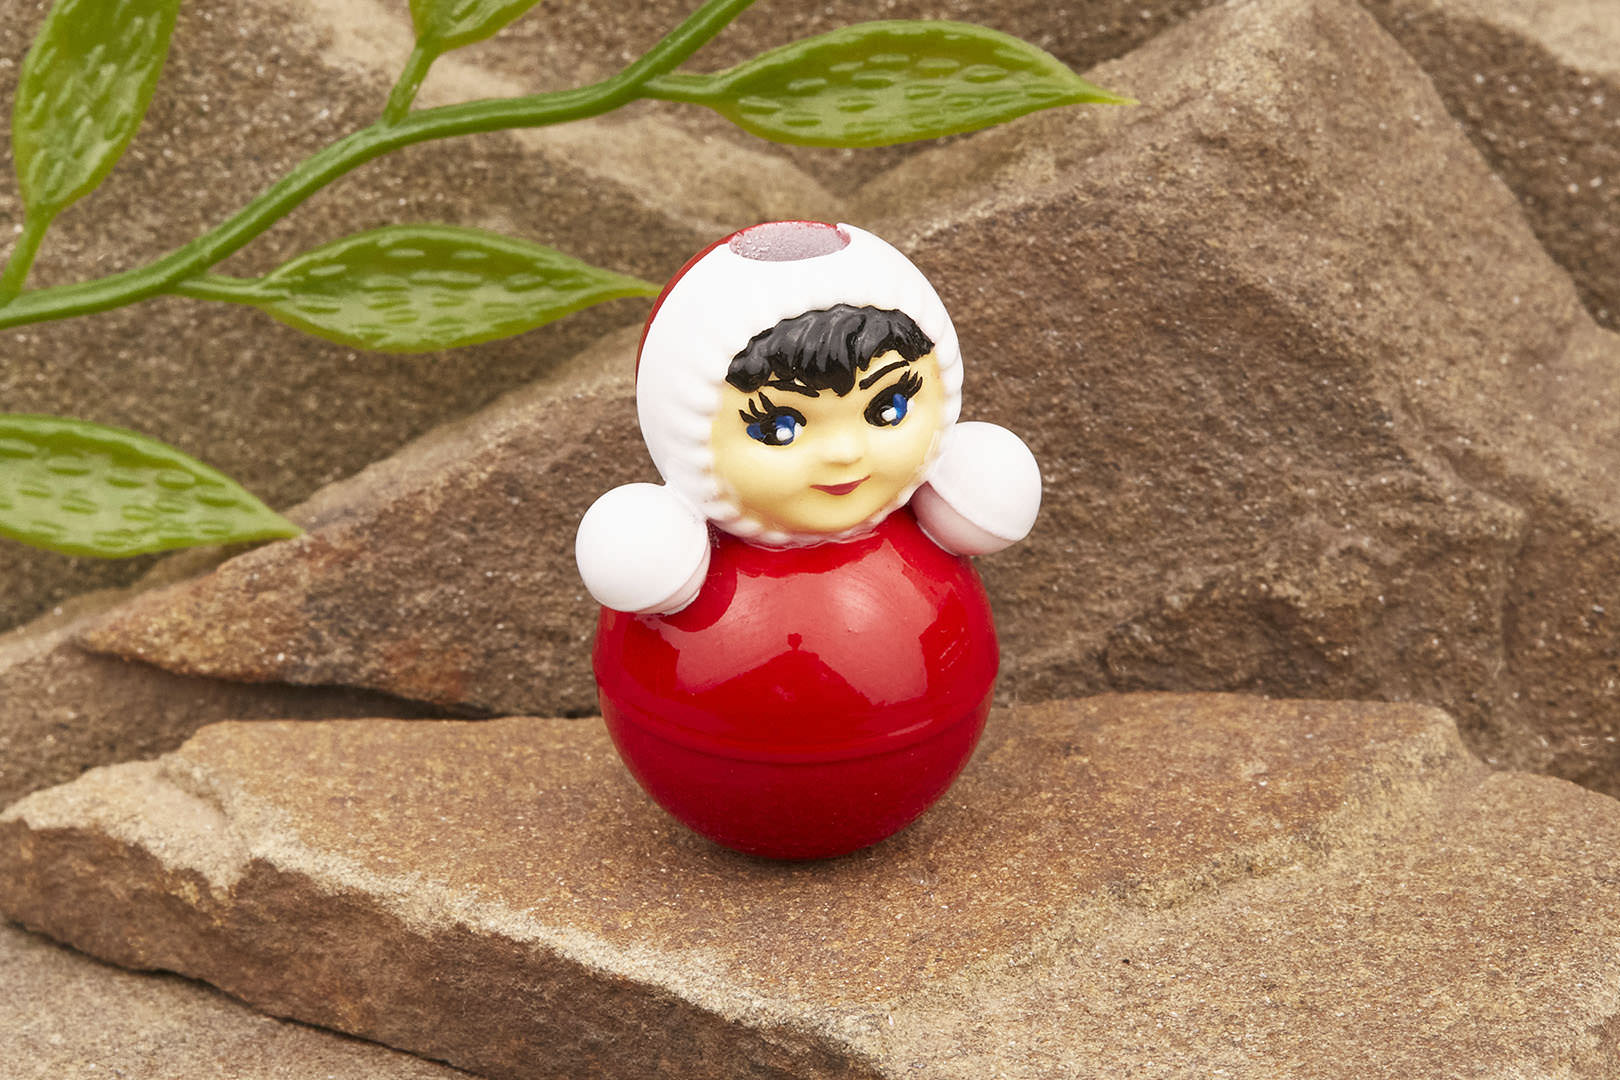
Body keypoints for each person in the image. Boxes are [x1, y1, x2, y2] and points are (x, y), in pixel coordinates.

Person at [575, 220, 1041, 859]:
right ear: (688, 436)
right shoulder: (666, 557)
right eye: (779, 427)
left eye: (887, 408)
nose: (845, 453)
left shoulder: (938, 516)